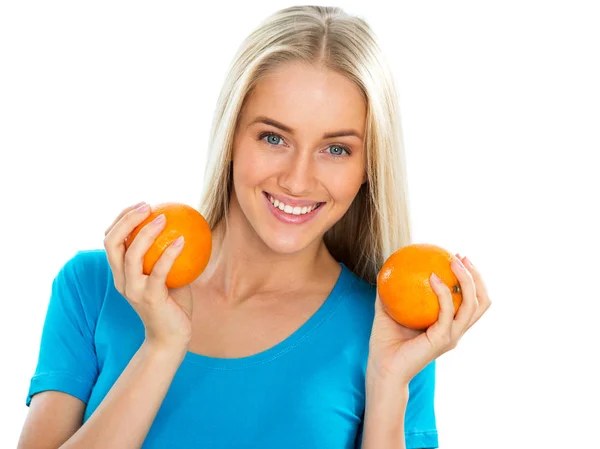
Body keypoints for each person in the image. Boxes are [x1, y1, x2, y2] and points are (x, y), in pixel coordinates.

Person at [18, 5, 491, 449]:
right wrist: (161, 347)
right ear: (231, 138)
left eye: (336, 149)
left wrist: (389, 385)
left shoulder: (391, 334)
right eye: (273, 137)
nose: (297, 179)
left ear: (369, 166)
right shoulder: (95, 287)